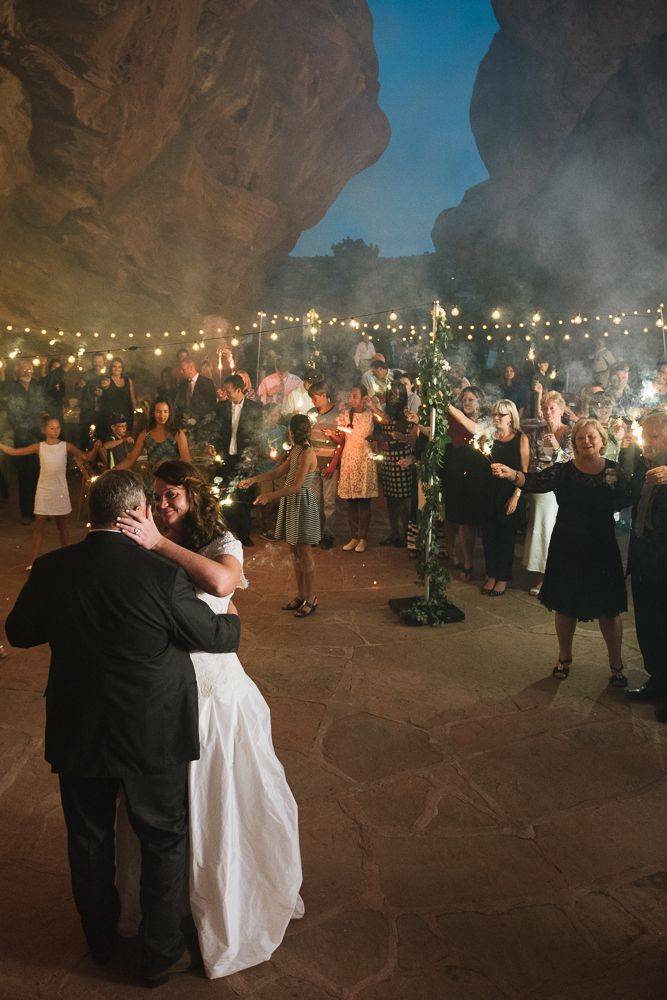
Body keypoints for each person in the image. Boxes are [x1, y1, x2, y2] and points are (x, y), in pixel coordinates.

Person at [5, 469, 241, 986]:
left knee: (88, 837)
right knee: (162, 838)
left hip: (79, 727)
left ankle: (100, 940)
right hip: (151, 730)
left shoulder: (52, 568)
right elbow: (217, 638)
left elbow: (19, 633)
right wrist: (232, 618)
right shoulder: (161, 576)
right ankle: (160, 954)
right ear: (139, 512)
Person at [114, 461, 303, 977]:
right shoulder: (142, 536)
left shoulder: (219, 540)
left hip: (215, 693)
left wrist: (158, 544)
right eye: (155, 497)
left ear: (193, 497)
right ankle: (168, 910)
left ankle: (224, 904)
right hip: (165, 687)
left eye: (171, 495)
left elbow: (222, 585)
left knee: (220, 799)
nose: (161, 505)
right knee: (167, 814)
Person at [492, 417, 632, 685]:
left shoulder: (613, 471)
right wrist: (512, 474)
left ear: (602, 440)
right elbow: (535, 481)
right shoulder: (564, 471)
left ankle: (616, 665)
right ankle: (564, 658)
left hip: (601, 545)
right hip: (568, 544)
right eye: (581, 438)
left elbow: (628, 495)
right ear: (575, 443)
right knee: (565, 606)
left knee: (608, 608)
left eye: (592, 436)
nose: (587, 441)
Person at [242, 414, 320, 615]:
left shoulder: (307, 453)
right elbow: (278, 473)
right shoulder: (295, 450)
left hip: (301, 502)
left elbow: (296, 486)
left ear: (292, 431)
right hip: (291, 502)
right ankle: (301, 595)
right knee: (294, 551)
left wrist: (270, 495)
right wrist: (254, 479)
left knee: (304, 552)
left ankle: (311, 598)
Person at [0, 414, 100, 568]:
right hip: (44, 490)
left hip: (60, 489)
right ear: (44, 430)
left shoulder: (66, 446)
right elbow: (14, 451)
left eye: (58, 428)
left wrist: (95, 447)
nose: (55, 431)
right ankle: (33, 561)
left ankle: (67, 556)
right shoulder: (39, 447)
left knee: (62, 526)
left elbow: (86, 457)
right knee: (38, 527)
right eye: (52, 428)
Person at [625, 412, 667, 713]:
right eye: (646, 436)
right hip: (643, 552)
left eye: (655, 437)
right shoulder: (643, 461)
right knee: (648, 619)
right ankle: (657, 676)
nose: (649, 442)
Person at [523, 391, 572, 596]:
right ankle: (541, 576)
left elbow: (570, 461)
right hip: (541, 488)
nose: (548, 412)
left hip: (563, 487)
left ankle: (557, 575)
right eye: (545, 408)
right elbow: (532, 458)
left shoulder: (569, 432)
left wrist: (555, 446)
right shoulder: (537, 431)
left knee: (556, 531)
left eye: (552, 408)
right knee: (540, 529)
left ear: (561, 410)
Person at [440, 386, 490, 580]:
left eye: (471, 400)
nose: (467, 403)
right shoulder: (455, 419)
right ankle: (467, 561)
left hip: (480, 473)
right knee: (463, 521)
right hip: (458, 471)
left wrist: (448, 405)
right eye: (465, 400)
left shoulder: (486, 421)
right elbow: (439, 434)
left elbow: (471, 427)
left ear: (479, 401)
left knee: (480, 521)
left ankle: (491, 567)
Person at [480, 400, 529, 595]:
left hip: (509, 492)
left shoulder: (520, 439)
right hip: (489, 491)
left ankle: (502, 578)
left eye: (501, 415)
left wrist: (516, 496)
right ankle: (490, 574)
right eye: (494, 414)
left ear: (511, 417)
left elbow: (524, 471)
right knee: (489, 536)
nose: (497, 418)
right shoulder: (488, 438)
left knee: (505, 538)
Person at [215, 373, 263, 546]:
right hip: (225, 457)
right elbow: (216, 431)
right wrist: (213, 445)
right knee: (223, 493)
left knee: (244, 496)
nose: (226, 395)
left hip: (245, 458)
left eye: (228, 391)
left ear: (238, 390)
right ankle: (224, 532)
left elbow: (257, 435)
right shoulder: (221, 408)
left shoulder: (255, 408)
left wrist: (250, 458)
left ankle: (244, 533)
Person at [335, 384, 379, 552]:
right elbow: (341, 433)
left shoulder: (371, 415)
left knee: (364, 501)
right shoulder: (346, 414)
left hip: (364, 459)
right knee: (351, 501)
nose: (351, 399)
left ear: (363, 398)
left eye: (355, 396)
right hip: (349, 457)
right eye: (350, 396)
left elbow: (386, 421)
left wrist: (373, 406)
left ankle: (363, 538)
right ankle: (353, 536)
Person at [373, 382, 417, 547]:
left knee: (405, 499)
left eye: (397, 395)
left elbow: (410, 439)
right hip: (387, 459)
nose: (393, 398)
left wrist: (396, 438)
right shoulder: (385, 413)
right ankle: (394, 533)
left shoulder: (406, 416)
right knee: (390, 498)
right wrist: (379, 440)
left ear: (403, 397)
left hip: (402, 459)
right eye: (391, 394)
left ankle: (407, 535)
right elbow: (379, 432)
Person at [3, 360, 47, 522]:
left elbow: (43, 406)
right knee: (25, 476)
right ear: (17, 372)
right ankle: (27, 513)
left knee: (41, 475)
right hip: (22, 438)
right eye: (24, 369)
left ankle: (41, 511)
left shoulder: (37, 386)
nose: (27, 372)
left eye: (30, 369)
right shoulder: (11, 387)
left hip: (39, 437)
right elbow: (10, 410)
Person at [307, 379, 341, 549]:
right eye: (311, 398)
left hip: (329, 463)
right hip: (314, 463)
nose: (313, 401)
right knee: (314, 499)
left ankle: (328, 534)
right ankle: (315, 533)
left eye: (315, 398)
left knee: (328, 501)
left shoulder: (337, 415)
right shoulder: (310, 414)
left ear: (324, 395)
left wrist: (333, 464)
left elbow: (341, 442)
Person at [116, 398, 190, 473]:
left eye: (165, 411)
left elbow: (186, 462)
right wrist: (113, 470)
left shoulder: (178, 434)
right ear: (153, 413)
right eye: (158, 411)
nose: (162, 415)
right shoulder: (145, 434)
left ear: (170, 413)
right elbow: (131, 459)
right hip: (154, 481)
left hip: (173, 480)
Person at [174, 358, 218, 444]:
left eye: (183, 369)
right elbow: (179, 404)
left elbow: (211, 406)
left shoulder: (207, 383)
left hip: (203, 429)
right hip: (185, 428)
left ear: (191, 368)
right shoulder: (182, 384)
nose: (181, 372)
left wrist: (197, 419)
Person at [99, 358, 137, 441]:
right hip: (112, 417)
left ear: (122, 368)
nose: (117, 369)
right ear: (111, 368)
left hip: (127, 414)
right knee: (113, 440)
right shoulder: (107, 380)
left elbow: (133, 399)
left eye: (119, 367)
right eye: (114, 366)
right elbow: (100, 391)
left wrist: (135, 414)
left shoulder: (128, 380)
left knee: (127, 439)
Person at [78, 352, 106, 448]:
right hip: (87, 410)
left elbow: (112, 394)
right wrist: (79, 385)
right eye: (95, 361)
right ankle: (83, 459)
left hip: (102, 412)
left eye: (99, 361)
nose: (97, 364)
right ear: (92, 362)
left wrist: (103, 394)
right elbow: (77, 388)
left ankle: (99, 460)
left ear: (104, 362)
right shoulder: (86, 374)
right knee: (84, 438)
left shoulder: (107, 376)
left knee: (101, 438)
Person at [42, 357, 67, 424]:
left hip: (59, 414)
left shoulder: (61, 383)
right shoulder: (46, 382)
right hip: (48, 414)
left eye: (58, 369)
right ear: (50, 369)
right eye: (54, 367)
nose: (56, 371)